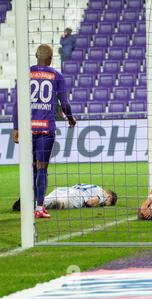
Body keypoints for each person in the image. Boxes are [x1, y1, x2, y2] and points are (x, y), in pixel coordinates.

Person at [12, 44, 76, 219]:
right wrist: (70, 119)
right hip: (46, 130)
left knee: (31, 168)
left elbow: (17, 103)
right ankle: (39, 207)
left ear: (35, 55)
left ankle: (30, 204)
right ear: (51, 58)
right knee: (42, 168)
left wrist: (16, 127)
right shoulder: (57, 75)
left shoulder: (25, 74)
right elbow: (64, 104)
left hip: (27, 129)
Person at [12, 184, 118, 211]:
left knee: (44, 201)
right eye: (110, 202)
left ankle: (26, 203)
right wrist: (98, 201)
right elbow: (90, 202)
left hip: (64, 189)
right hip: (76, 197)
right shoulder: (103, 195)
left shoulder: (93, 186)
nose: (107, 203)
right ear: (109, 196)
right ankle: (27, 206)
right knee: (56, 202)